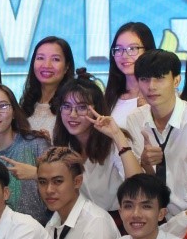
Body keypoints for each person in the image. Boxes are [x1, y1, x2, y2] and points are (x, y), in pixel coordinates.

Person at [126, 50, 187, 219]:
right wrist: (145, 164)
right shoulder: (135, 119)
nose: (151, 86)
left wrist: (171, 230)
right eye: (144, 79)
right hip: (149, 219)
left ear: (176, 80)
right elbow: (137, 187)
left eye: (159, 78)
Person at [52, 74, 142, 215]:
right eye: (67, 106)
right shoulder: (62, 144)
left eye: (82, 107)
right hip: (80, 219)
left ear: (96, 109)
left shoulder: (114, 141)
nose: (73, 114)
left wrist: (117, 136)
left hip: (117, 218)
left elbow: (138, 186)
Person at [0, 82, 50, 225]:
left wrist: (37, 174)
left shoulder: (36, 144)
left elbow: (61, 185)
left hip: (42, 231)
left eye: (2, 106)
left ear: (14, 112)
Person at [103, 21, 156, 128]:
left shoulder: (158, 97)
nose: (124, 56)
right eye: (119, 49)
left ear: (148, 51)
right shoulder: (108, 98)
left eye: (132, 48)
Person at [19, 36, 75, 136]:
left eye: (55, 59)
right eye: (40, 58)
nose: (46, 65)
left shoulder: (73, 106)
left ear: (67, 66)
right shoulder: (25, 103)